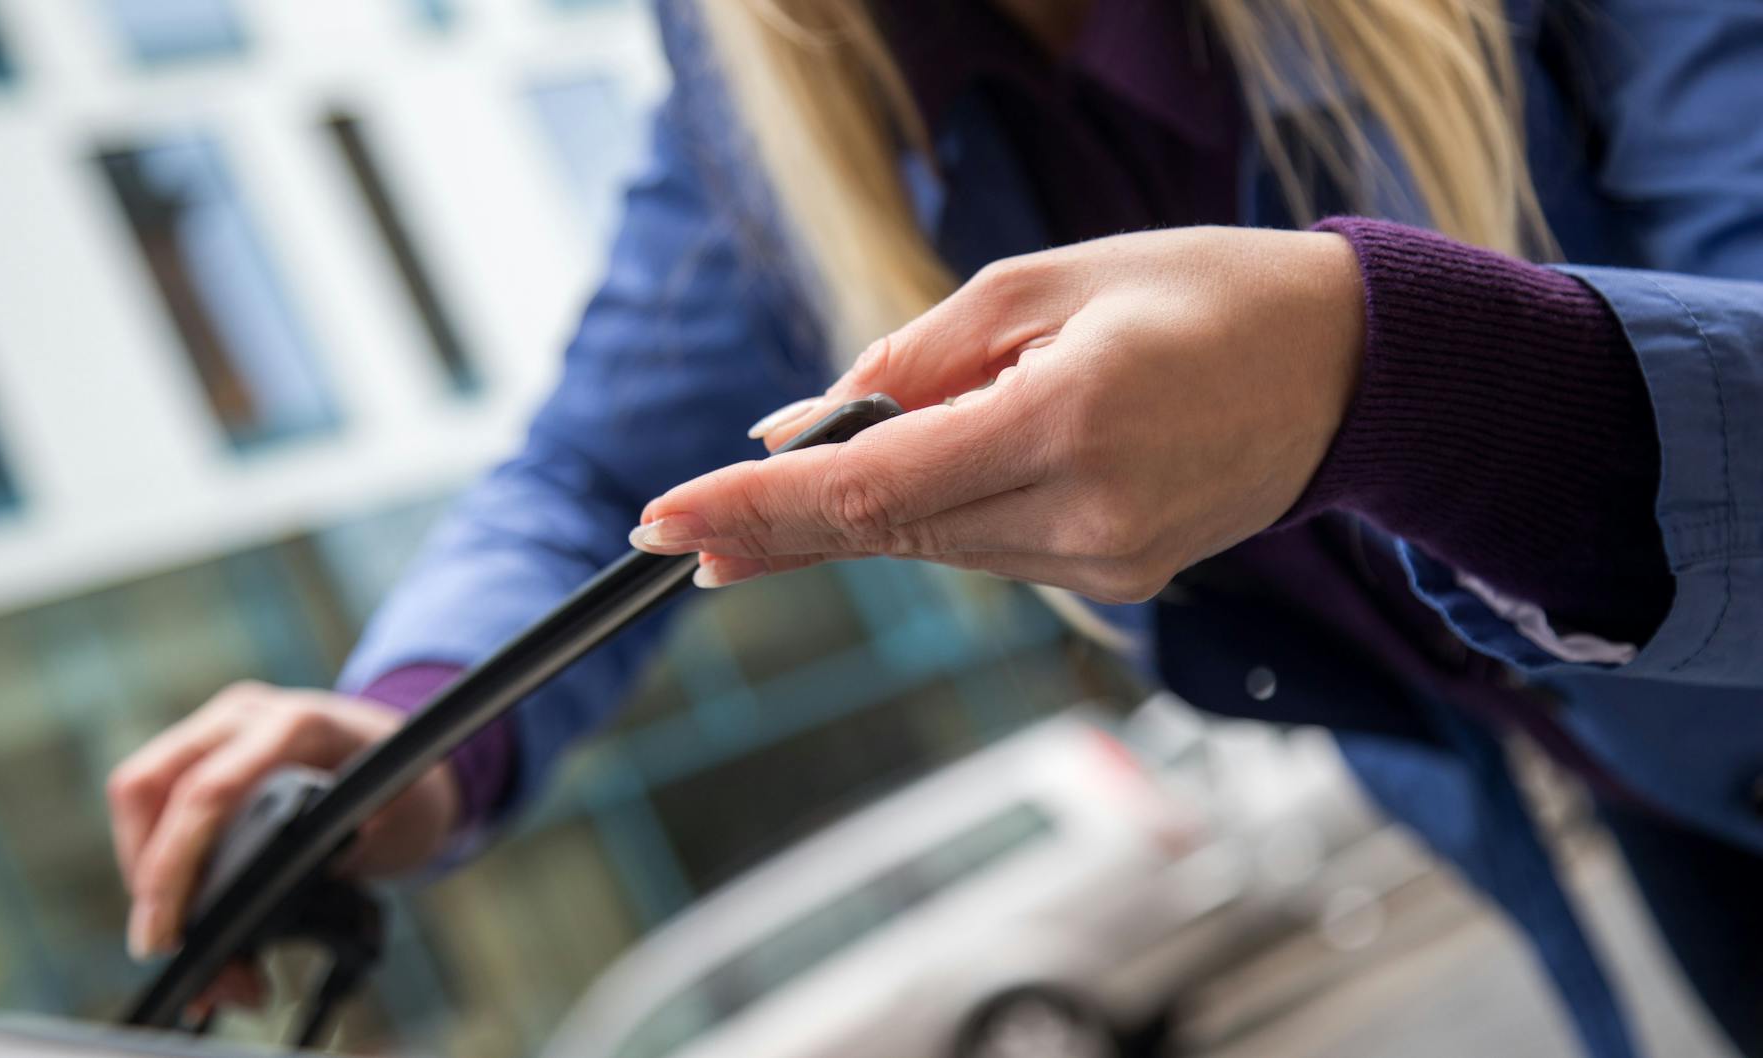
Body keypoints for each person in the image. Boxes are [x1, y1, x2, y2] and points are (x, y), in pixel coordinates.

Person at [104, 2, 1763, 1055]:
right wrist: (401, 730)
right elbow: (579, 481)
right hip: (1675, 828)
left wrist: (1388, 370)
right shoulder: (788, 72)